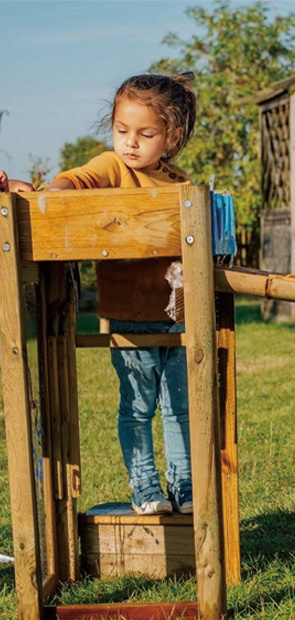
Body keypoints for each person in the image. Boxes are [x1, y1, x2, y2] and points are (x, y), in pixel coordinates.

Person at [2, 73, 197, 515]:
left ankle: (185, 488)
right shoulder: (113, 167)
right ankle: (146, 489)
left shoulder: (180, 181)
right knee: (137, 406)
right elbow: (76, 181)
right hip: (129, 316)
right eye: (122, 131)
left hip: (179, 314)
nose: (131, 143)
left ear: (171, 136)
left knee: (180, 408)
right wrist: (55, 196)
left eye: (145, 134)